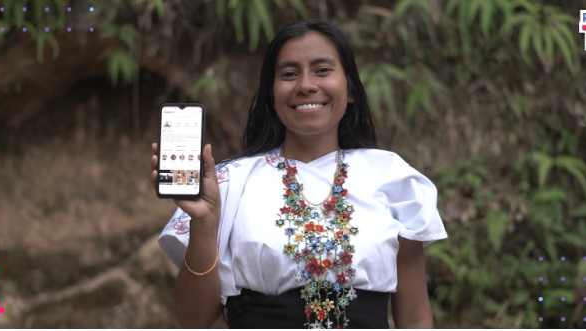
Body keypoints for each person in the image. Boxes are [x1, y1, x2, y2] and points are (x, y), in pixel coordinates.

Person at [150, 19, 446, 329]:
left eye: (322, 70)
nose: (305, 85)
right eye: (289, 74)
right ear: (271, 94)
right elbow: (192, 320)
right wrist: (204, 223)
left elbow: (415, 317)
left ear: (351, 90)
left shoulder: (392, 177)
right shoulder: (228, 183)